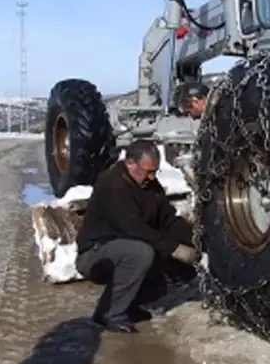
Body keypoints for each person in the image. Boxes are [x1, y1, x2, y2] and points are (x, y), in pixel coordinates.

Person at [74, 140, 199, 332]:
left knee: (159, 278)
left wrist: (196, 238)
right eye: (147, 171)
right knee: (141, 252)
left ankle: (129, 305)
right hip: (96, 254)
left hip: (125, 247)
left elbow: (168, 219)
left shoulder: (149, 184)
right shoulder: (112, 184)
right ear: (130, 163)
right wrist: (174, 249)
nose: (151, 177)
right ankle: (109, 313)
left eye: (155, 172)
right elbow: (133, 228)